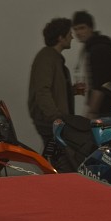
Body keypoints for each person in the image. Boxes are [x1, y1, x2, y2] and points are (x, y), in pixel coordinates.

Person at [28, 17, 76, 160]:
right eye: (69, 34)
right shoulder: (47, 58)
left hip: (53, 120)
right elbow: (42, 91)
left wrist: (71, 91)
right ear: (61, 38)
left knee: (58, 158)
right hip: (50, 122)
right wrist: (56, 117)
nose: (72, 37)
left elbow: (52, 89)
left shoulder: (52, 58)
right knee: (59, 159)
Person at [71, 10, 111, 118]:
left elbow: (100, 85)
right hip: (108, 108)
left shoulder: (98, 49)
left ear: (91, 28)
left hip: (107, 109)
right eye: (75, 29)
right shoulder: (93, 48)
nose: (78, 32)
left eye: (82, 28)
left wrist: (92, 111)